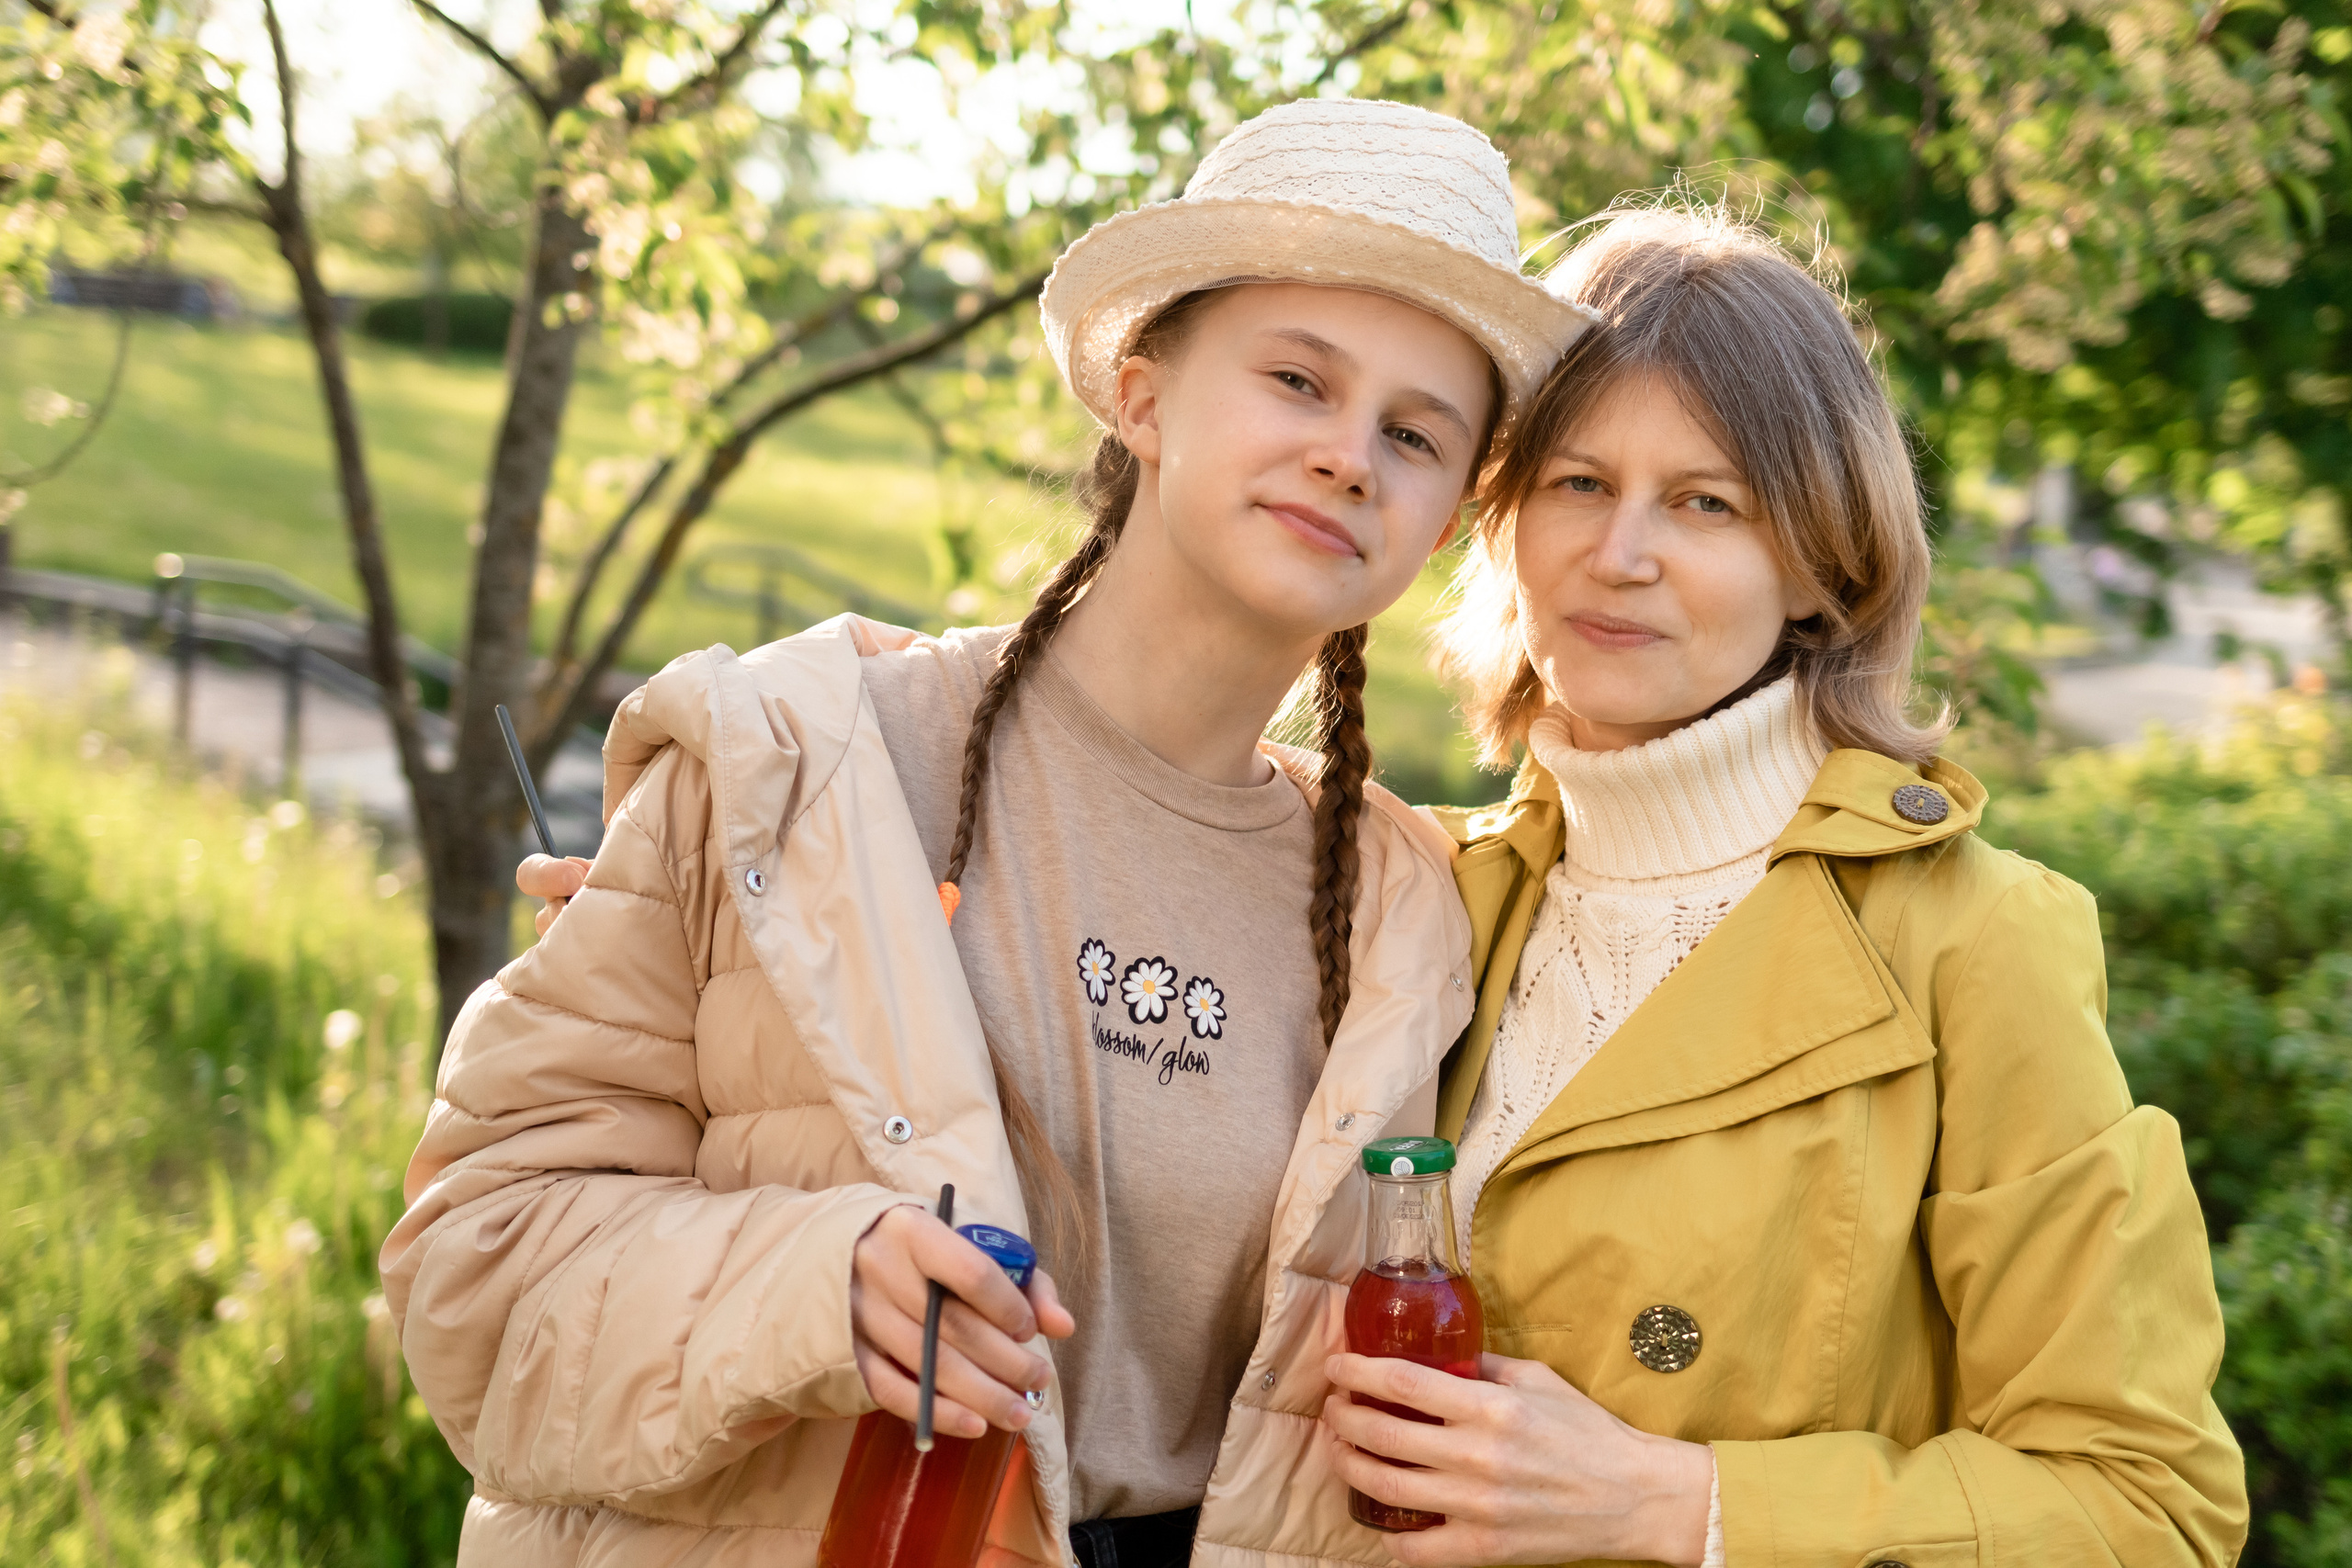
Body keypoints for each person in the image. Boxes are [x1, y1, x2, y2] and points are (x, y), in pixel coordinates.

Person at [381, 98, 1593, 1568]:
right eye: (1296, 380)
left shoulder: (1408, 917)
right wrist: (819, 1284)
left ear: (1447, 517)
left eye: (1413, 432)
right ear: (1142, 397)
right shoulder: (802, 766)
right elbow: (472, 1278)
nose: (1350, 455)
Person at [1317, 205, 2248, 1566]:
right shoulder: (1426, 893)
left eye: (1708, 503)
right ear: (1500, 519)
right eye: (1576, 482)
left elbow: (2148, 1506)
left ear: (1818, 562)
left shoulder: (1970, 945)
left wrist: (1679, 1504)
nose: (1620, 553)